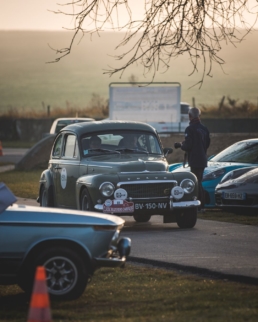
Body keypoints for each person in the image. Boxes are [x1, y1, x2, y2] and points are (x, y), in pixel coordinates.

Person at [174, 107, 210, 211]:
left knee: (196, 183)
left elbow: (188, 145)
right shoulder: (204, 128)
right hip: (202, 159)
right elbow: (207, 144)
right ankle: (201, 206)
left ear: (190, 116)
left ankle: (199, 206)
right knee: (199, 182)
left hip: (195, 160)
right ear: (199, 116)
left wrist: (180, 145)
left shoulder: (190, 129)